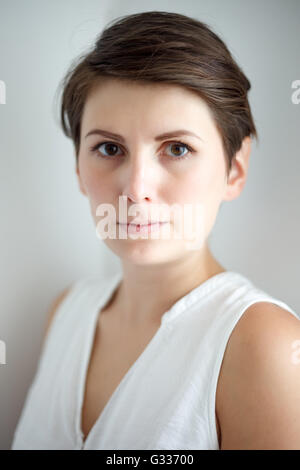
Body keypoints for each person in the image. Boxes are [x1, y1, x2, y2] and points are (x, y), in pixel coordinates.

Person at [11, 11, 300, 450]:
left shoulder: (267, 348)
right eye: (109, 148)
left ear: (234, 170)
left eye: (177, 148)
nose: (136, 188)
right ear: (77, 168)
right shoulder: (66, 312)